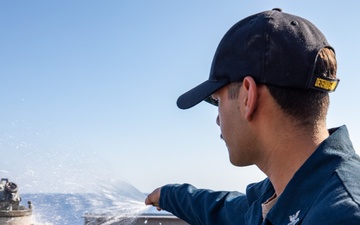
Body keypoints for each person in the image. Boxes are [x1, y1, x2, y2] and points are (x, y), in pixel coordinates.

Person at [145, 8, 360, 225]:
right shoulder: (277, 196)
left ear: (248, 97)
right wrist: (167, 195)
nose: (218, 120)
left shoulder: (343, 215)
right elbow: (223, 209)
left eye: (218, 102)